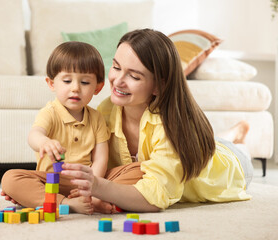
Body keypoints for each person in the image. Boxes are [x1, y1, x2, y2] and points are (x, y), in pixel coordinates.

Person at [60, 29, 253, 213]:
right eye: (116, 67)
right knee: (214, 141)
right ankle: (232, 133)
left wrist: (99, 187)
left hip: (233, 169)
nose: (118, 80)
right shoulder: (107, 110)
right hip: (200, 145)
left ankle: (238, 136)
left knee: (230, 149)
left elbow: (154, 198)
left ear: (158, 85)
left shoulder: (170, 128)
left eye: (134, 76)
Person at [1, 41, 110, 214]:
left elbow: (101, 159)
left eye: (85, 82)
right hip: (52, 182)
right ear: (52, 84)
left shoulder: (97, 118)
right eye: (67, 81)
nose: (75, 88)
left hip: (87, 181)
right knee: (10, 179)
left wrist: (91, 186)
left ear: (98, 87)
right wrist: (44, 142)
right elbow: (34, 134)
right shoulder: (50, 112)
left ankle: (91, 199)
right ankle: (66, 203)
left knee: (135, 172)